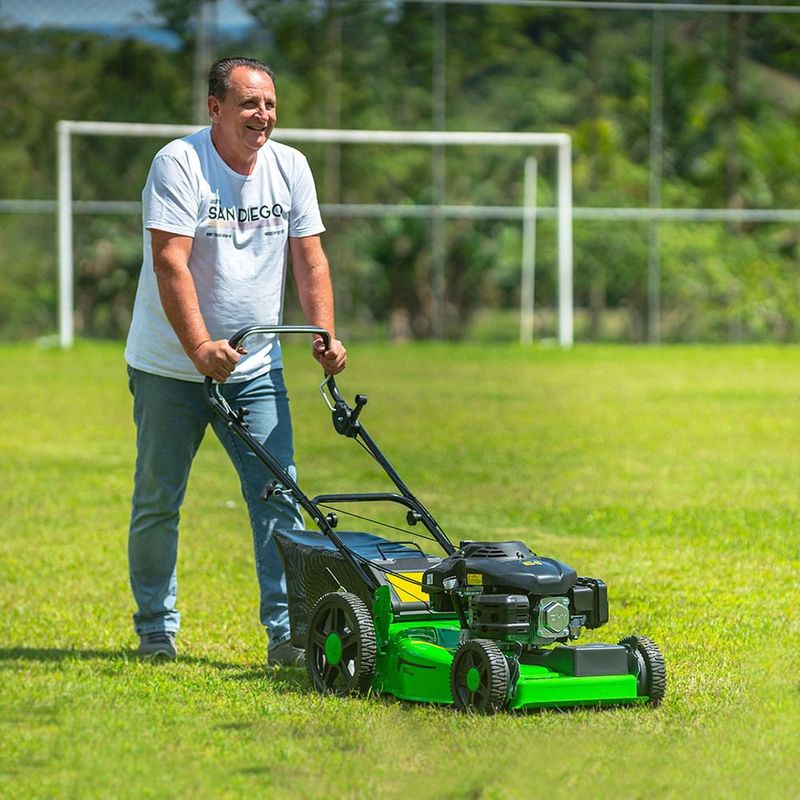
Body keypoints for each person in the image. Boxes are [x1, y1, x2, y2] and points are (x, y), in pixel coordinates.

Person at [124, 56, 346, 666]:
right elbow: (171, 261)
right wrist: (199, 348)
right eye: (250, 103)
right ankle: (155, 629)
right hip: (170, 366)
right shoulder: (179, 163)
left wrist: (323, 333)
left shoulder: (291, 167)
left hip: (254, 368)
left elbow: (311, 261)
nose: (264, 115)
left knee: (279, 495)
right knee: (159, 499)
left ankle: (287, 635)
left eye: (270, 103)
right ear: (215, 107)